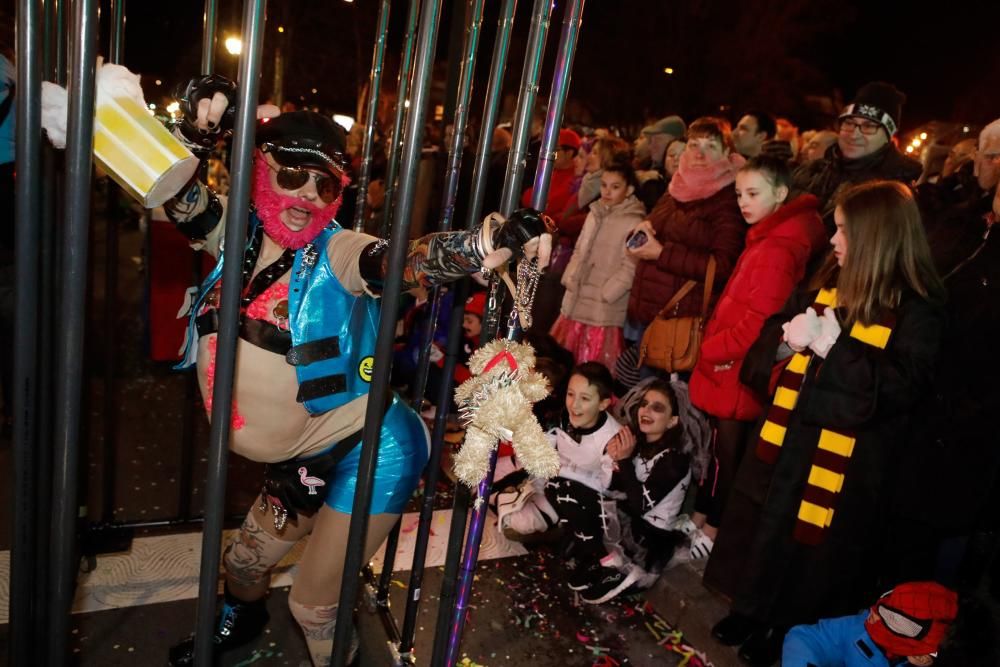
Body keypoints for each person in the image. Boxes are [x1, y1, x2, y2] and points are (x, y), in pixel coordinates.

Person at [162, 77, 552, 666]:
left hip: (367, 450)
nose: (306, 197)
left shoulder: (339, 250)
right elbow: (174, 196)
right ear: (260, 170)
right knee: (241, 566)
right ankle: (240, 620)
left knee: (313, 606)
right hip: (295, 460)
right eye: (292, 175)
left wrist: (479, 246)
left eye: (324, 184)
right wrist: (194, 135)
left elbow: (400, 261)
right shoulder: (232, 237)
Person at [709, 181, 945, 667]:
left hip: (844, 465)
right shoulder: (826, 283)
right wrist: (784, 344)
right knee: (765, 524)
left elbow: (900, 391)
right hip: (787, 439)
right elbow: (770, 343)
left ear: (876, 237)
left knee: (810, 552)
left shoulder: (919, 311)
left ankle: (788, 625)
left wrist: (834, 348)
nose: (833, 241)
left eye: (843, 230)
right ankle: (751, 609)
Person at [687, 156, 826, 562]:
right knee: (720, 451)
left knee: (728, 455)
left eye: (753, 194)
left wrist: (712, 350)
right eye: (738, 194)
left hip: (733, 366)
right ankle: (702, 517)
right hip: (728, 364)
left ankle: (713, 528)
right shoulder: (767, 238)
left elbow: (757, 322)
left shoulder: (778, 247)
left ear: (780, 194)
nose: (743, 203)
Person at [625, 117, 746, 377]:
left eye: (711, 146)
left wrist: (661, 253)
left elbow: (723, 266)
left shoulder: (727, 199)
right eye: (694, 144)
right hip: (654, 314)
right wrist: (640, 232)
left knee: (665, 404)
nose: (700, 153)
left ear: (727, 153)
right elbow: (657, 227)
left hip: (682, 321)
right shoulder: (677, 187)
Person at [792, 82, 922, 234]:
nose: (854, 134)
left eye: (868, 127)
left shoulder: (894, 194)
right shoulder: (811, 171)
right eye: (849, 123)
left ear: (888, 136)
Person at [550, 161, 644, 371]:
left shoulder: (634, 221)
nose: (607, 191)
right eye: (604, 185)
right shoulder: (595, 213)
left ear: (629, 189)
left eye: (615, 186)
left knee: (593, 362)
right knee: (563, 360)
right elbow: (579, 248)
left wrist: (607, 293)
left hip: (603, 308)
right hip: (577, 297)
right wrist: (571, 277)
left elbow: (631, 265)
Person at [782, 582, 958, 667]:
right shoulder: (860, 629)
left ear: (921, 658)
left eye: (893, 619)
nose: (875, 614)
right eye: (885, 603)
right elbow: (804, 637)